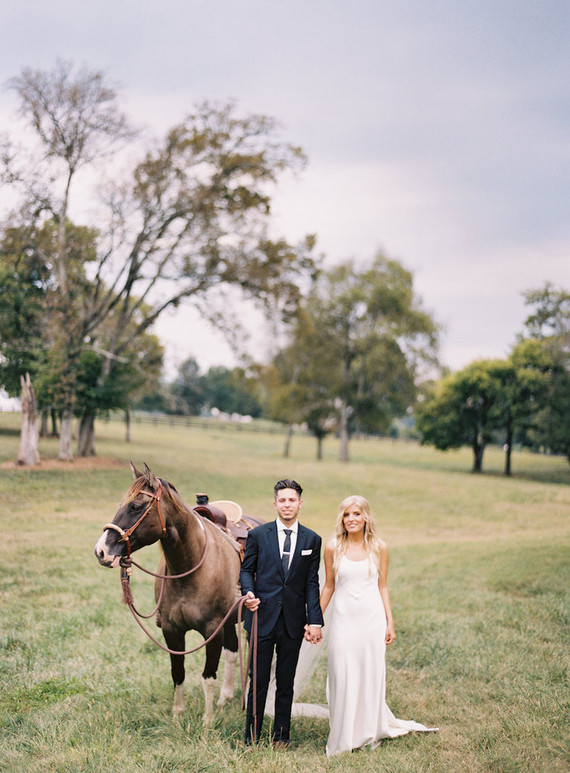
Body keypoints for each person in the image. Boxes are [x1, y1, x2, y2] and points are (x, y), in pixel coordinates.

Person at [319, 495, 437, 757]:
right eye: (346, 514)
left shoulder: (379, 548)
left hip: (371, 620)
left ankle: (368, 731)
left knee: (370, 673)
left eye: (356, 514)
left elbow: (382, 586)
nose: (351, 519)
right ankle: (342, 734)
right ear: (341, 518)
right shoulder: (332, 547)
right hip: (343, 620)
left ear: (366, 517)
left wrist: (390, 621)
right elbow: (329, 585)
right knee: (342, 672)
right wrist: (315, 619)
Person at [240, 479, 324, 747]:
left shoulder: (312, 539)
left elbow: (312, 582)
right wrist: (249, 592)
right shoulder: (258, 535)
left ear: (300, 503)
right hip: (261, 618)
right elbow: (246, 570)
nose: (287, 505)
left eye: (292, 500)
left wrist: (315, 620)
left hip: (292, 622)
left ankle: (282, 736)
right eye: (282, 500)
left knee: (286, 681)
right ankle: (251, 736)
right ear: (275, 503)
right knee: (259, 680)